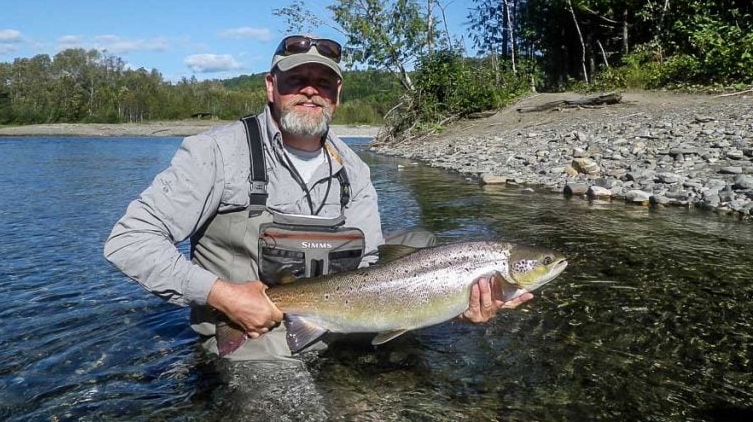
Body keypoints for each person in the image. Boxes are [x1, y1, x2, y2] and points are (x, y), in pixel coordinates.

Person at [104, 34, 532, 362]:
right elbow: (129, 242)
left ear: (337, 96)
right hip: (249, 328)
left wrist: (453, 304)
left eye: (323, 83)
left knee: (421, 244)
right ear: (271, 86)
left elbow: (368, 265)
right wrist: (222, 295)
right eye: (297, 80)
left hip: (336, 316)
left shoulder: (353, 168)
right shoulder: (216, 152)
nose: (311, 91)